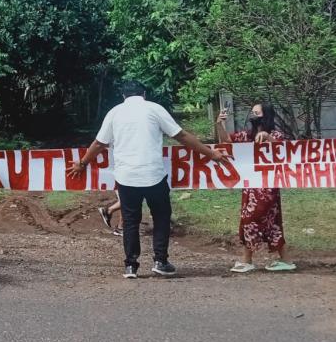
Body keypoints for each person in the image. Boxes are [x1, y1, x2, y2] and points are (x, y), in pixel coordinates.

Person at [68, 81, 230, 279]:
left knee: (130, 221)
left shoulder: (114, 113)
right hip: (154, 175)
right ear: (144, 94)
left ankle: (131, 266)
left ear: (123, 96)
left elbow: (99, 143)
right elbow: (182, 136)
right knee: (161, 218)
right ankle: (160, 261)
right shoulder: (154, 109)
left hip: (126, 177)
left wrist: (82, 164)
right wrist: (210, 153)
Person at [216, 103, 296, 273]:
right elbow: (227, 141)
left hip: (268, 188)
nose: (253, 115)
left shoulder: (275, 134)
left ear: (265, 115)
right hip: (250, 187)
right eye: (252, 112)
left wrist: (268, 138)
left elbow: (285, 151)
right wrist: (219, 124)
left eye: (256, 112)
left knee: (249, 219)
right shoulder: (248, 136)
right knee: (273, 223)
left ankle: (247, 260)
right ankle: (286, 260)